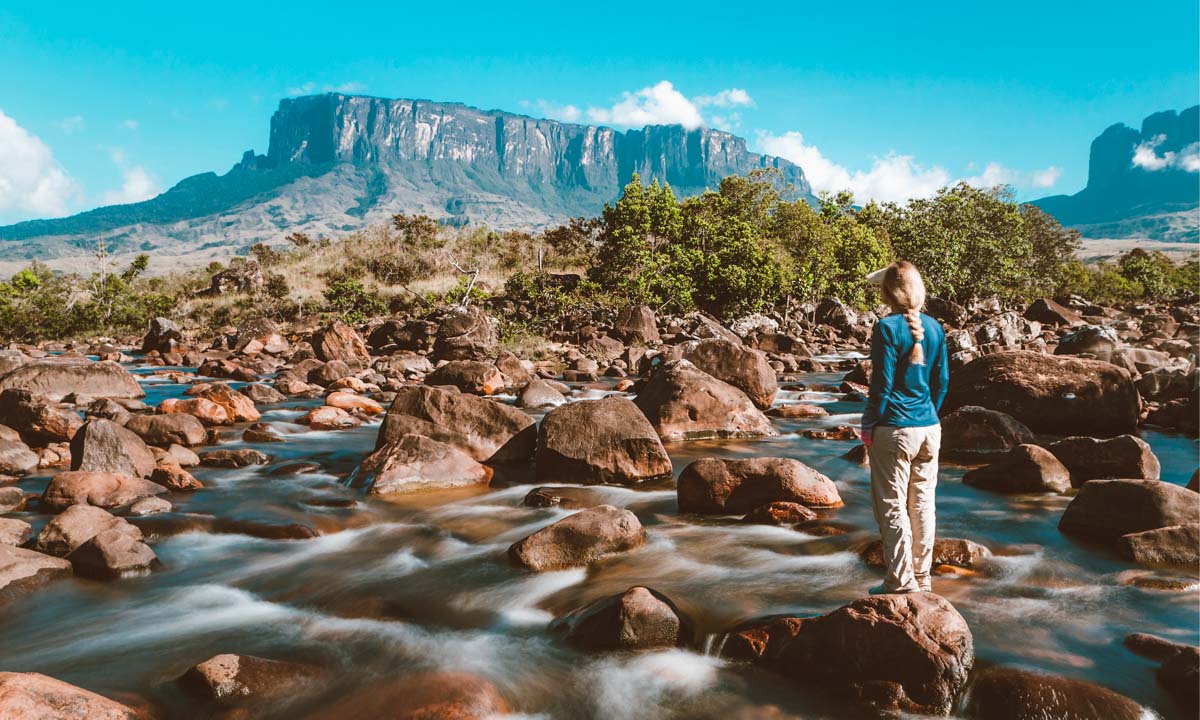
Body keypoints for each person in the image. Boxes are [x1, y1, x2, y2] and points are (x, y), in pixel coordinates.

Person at [860, 261, 948, 594]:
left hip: (894, 428)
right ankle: (923, 578)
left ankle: (900, 580)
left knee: (892, 504)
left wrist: (869, 425)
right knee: (923, 504)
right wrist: (927, 415)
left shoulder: (886, 328)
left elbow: (880, 387)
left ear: (888, 293)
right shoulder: (935, 328)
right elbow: (942, 383)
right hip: (929, 428)